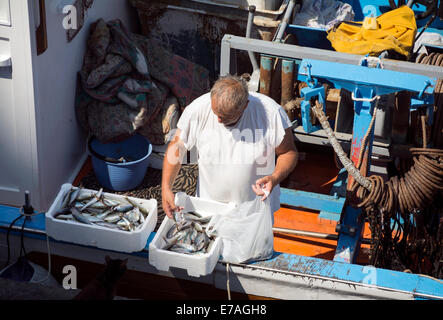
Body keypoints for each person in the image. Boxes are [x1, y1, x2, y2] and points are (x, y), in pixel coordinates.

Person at [161, 75, 298, 219]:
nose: (219, 120)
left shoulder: (271, 114)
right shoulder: (198, 108)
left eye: (226, 116)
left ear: (245, 105)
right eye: (216, 113)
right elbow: (177, 146)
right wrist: (166, 188)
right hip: (208, 210)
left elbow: (288, 153)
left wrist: (275, 177)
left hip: (254, 212)